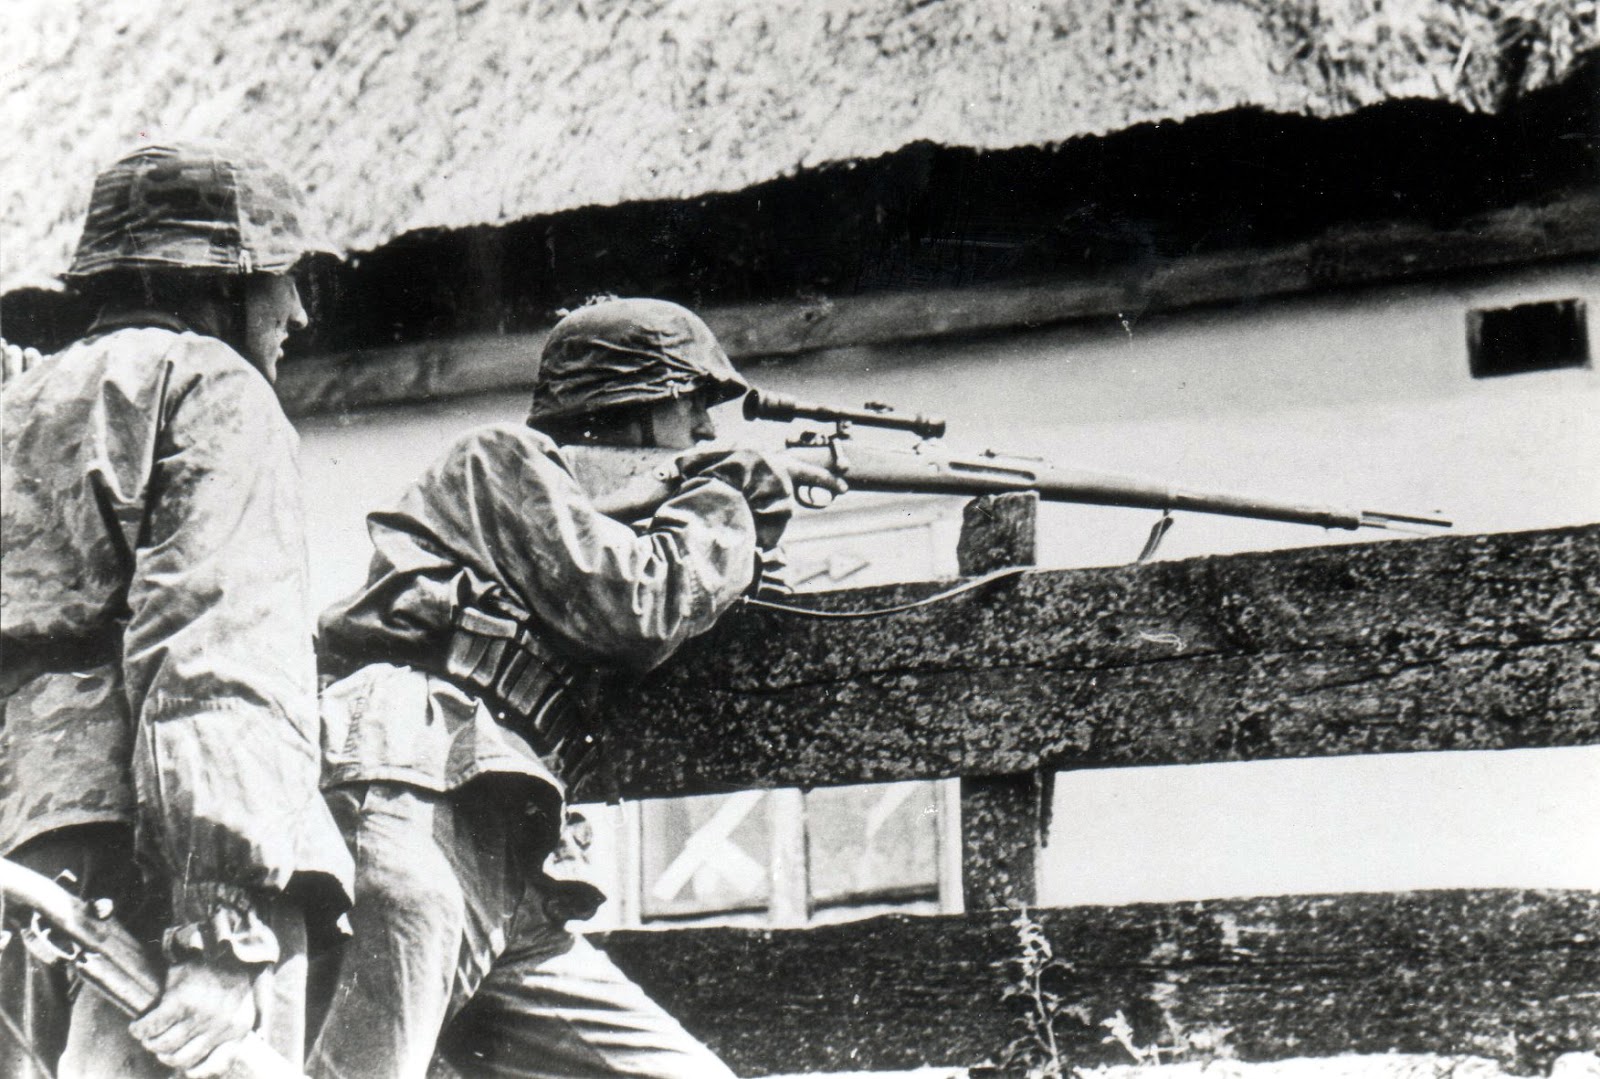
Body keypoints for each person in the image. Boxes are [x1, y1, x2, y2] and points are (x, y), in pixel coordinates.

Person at [307, 297, 843, 1078]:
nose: (706, 431)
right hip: (413, 793)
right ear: (641, 406)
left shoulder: (615, 524)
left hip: (512, 851)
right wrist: (726, 500)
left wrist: (746, 545)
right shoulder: (497, 461)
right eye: (694, 405)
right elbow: (637, 605)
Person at [0, 142, 353, 1078]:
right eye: (281, 275)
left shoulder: (17, 405)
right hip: (162, 872)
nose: (297, 311)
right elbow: (216, 655)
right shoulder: (211, 385)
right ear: (216, 281)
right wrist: (220, 925)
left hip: (31, 865)